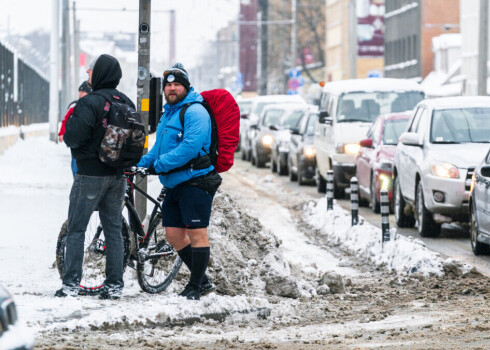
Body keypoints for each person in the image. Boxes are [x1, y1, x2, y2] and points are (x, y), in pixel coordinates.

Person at [55, 54, 135, 300]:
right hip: (117, 176)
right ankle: (114, 285)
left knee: (77, 228)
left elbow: (72, 137)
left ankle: (70, 285)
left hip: (90, 173)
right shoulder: (127, 102)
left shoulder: (90, 102)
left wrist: (81, 153)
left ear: (98, 75)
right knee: (113, 230)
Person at [138, 63, 219, 301]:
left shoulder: (195, 111)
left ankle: (195, 287)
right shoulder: (169, 113)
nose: (172, 89)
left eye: (176, 85)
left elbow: (190, 148)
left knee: (197, 234)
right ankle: (203, 281)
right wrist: (142, 163)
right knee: (173, 235)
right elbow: (158, 149)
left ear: (186, 87)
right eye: (169, 85)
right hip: (174, 183)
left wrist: (159, 166)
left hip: (196, 181)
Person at [58, 81, 92, 177]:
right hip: (76, 139)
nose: (80, 94)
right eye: (79, 91)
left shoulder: (92, 105)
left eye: (83, 91)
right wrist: (62, 133)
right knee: (75, 164)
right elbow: (66, 120)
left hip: (87, 140)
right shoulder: (74, 105)